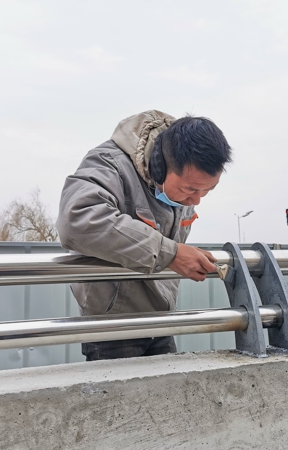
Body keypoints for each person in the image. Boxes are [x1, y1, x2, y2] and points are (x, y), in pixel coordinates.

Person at [56, 110, 232, 361]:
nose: (195, 201)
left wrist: (180, 257)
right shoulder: (110, 164)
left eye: (207, 191)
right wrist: (170, 254)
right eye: (190, 189)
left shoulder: (184, 185)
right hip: (113, 328)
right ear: (159, 168)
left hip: (161, 321)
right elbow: (77, 220)